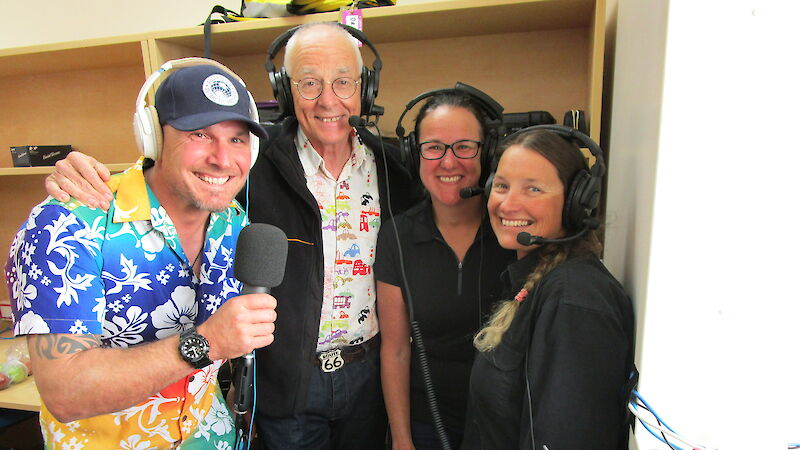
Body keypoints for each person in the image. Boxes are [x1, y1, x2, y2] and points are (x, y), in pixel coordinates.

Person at [41, 22, 420, 450]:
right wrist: (83, 177)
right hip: (285, 382)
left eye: (344, 81)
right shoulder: (251, 164)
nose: (328, 99)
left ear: (365, 88)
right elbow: (177, 174)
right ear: (285, 89)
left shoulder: (396, 169)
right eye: (309, 83)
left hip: (367, 370)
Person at [5, 61, 277, 449]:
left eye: (237, 140)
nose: (222, 158)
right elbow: (65, 391)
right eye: (200, 134)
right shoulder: (68, 224)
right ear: (153, 137)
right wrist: (207, 343)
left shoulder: (233, 224)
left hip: (210, 436)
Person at [462, 128, 635, 449]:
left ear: (575, 202)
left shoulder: (574, 299)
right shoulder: (534, 281)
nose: (508, 204)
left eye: (533, 189)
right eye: (501, 186)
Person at [373, 88, 514, 449]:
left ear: (488, 152)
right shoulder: (397, 236)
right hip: (427, 424)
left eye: (464, 146)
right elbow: (395, 349)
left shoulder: (512, 232)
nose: (449, 162)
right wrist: (402, 440)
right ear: (414, 154)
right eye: (434, 147)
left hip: (503, 424)